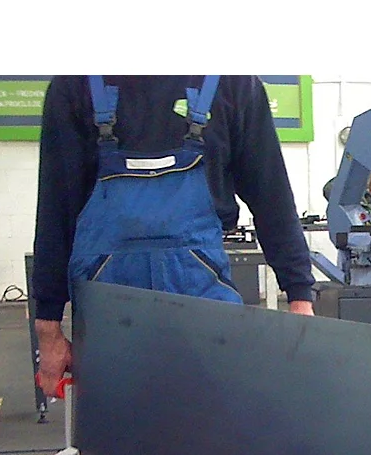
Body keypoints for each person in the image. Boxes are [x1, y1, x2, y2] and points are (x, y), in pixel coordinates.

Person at [30, 75, 316, 396]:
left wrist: (299, 297)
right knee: (113, 439)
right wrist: (48, 327)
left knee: (216, 434)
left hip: (207, 318)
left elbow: (272, 197)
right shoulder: (75, 85)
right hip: (106, 320)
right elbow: (55, 210)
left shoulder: (233, 84)